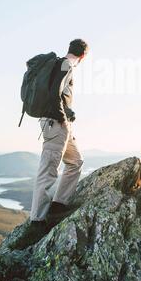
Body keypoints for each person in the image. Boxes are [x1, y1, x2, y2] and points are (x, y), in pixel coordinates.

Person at [13, 39, 89, 248]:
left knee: (76, 162)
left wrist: (69, 113)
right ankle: (37, 221)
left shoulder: (60, 64)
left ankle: (58, 205)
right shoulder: (67, 65)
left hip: (60, 124)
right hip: (56, 124)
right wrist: (62, 117)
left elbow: (60, 95)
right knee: (49, 169)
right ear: (83, 56)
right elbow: (55, 91)